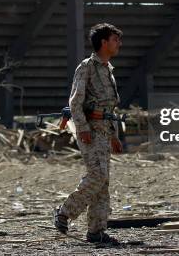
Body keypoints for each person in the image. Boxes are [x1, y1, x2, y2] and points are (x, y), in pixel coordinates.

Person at [54, 23, 124, 244]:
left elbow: (109, 109)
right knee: (98, 176)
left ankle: (96, 231)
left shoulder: (108, 70)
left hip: (104, 131)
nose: (118, 43)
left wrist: (114, 136)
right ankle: (65, 211)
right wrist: (82, 128)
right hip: (91, 131)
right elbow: (75, 102)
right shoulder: (87, 67)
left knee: (103, 183)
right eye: (115, 39)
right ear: (103, 42)